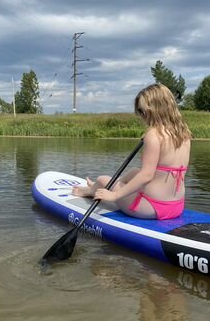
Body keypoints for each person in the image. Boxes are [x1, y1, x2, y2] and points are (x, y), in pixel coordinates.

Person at [72, 83, 191, 220]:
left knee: (103, 179)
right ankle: (100, 188)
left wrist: (114, 196)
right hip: (176, 207)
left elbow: (147, 175)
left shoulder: (154, 135)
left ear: (154, 110)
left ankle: (90, 191)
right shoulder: (184, 133)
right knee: (134, 171)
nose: (141, 116)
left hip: (151, 207)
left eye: (142, 111)